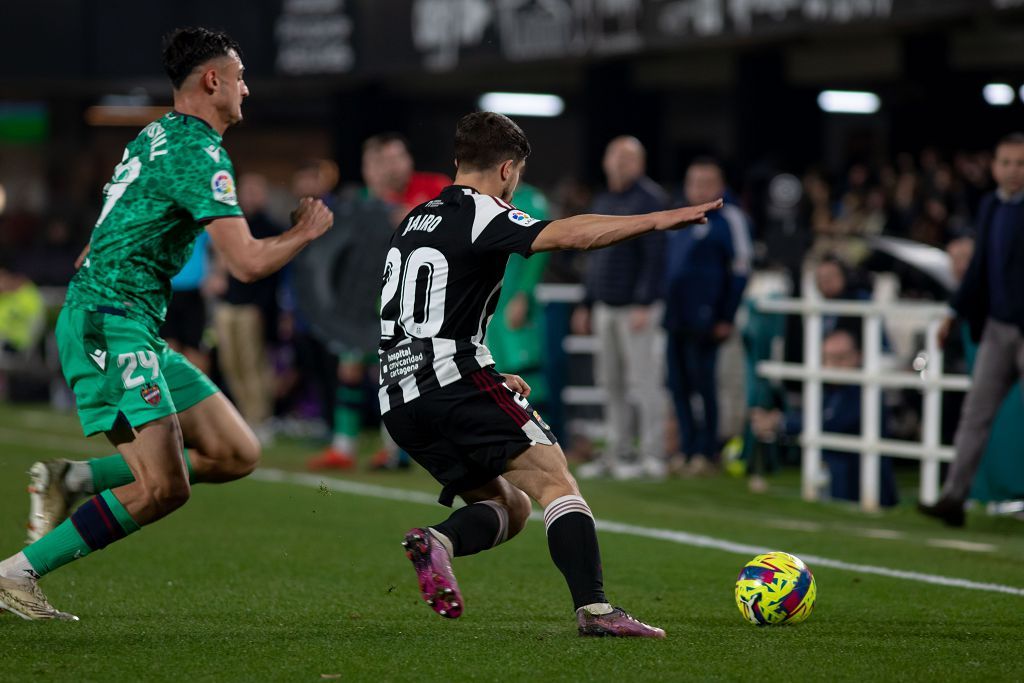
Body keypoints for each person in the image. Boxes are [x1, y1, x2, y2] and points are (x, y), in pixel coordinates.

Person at [0, 27, 334, 620]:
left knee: (236, 452)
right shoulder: (199, 153)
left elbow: (92, 246)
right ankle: (14, 575)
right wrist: (304, 232)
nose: (246, 90)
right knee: (162, 487)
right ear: (213, 81)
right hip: (112, 325)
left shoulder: (154, 135)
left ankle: (70, 478)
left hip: (129, 323)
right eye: (238, 78)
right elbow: (249, 263)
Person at [379, 111, 721, 637]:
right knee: (554, 480)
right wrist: (657, 220)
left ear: (457, 162)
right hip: (452, 379)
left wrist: (487, 372)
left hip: (399, 397)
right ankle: (597, 610)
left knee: (508, 506)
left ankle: (438, 542)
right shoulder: (485, 211)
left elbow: (423, 316)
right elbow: (571, 235)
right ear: (507, 169)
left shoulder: (416, 217)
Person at [920, 133, 1024, 527]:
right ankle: (954, 498)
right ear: (995, 166)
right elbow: (979, 269)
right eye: (1007, 162)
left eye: (1021, 163)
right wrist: (954, 313)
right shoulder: (990, 205)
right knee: (974, 415)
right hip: (998, 327)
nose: (1013, 171)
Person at [572, 136, 669, 480]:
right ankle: (618, 452)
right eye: (615, 157)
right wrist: (586, 301)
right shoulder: (606, 198)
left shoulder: (650, 199)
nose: (619, 164)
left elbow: (656, 257)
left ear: (639, 163)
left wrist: (645, 301)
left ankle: (653, 454)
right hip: (606, 305)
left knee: (643, 382)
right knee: (609, 381)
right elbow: (594, 256)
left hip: (635, 308)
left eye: (627, 158)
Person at [663, 157, 752, 476]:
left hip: (708, 318)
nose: (697, 188)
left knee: (706, 385)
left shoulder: (729, 218)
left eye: (705, 183)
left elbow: (741, 270)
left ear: (719, 186)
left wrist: (726, 314)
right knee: (679, 385)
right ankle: (687, 448)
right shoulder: (677, 219)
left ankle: (707, 450)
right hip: (676, 317)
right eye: (693, 182)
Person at [750, 328, 898, 506]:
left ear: (858, 356)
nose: (833, 365)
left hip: (859, 485)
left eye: (840, 358)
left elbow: (832, 423)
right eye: (827, 358)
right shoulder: (829, 390)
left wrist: (780, 421)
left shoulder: (865, 391)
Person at [213, 173, 283, 442]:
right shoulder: (232, 223)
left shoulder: (270, 227)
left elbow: (272, 274)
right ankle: (246, 416)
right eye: (248, 190)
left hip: (251, 306)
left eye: (257, 191)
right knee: (231, 364)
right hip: (227, 304)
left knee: (254, 364)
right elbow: (221, 258)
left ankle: (261, 419)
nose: (252, 196)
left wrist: (260, 305)